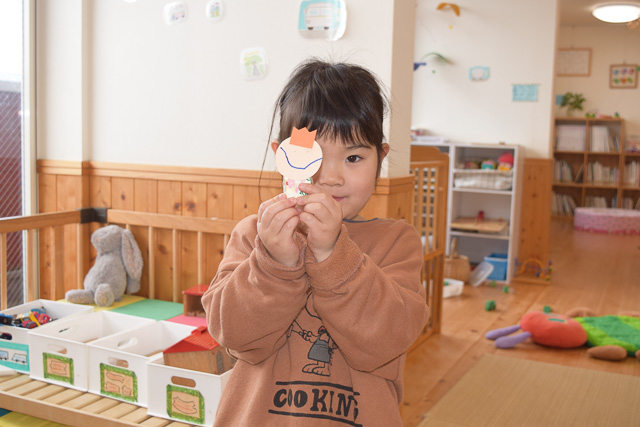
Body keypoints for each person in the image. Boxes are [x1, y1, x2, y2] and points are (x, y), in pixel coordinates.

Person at [202, 59, 429, 426]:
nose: (331, 177)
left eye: (353, 157)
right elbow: (234, 335)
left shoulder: (396, 242)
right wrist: (274, 264)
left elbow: (386, 341)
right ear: (281, 155)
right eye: (310, 156)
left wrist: (332, 254)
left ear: (380, 158)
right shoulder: (254, 235)